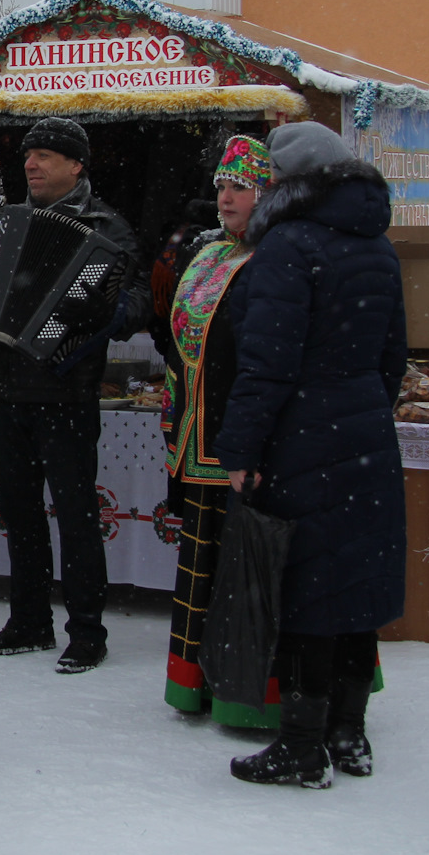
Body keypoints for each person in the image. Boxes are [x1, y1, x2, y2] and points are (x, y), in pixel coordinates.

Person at [211, 122, 406, 789]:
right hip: (365, 429)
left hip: (303, 430)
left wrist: (240, 447)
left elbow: (266, 362)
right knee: (354, 579)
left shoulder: (288, 245)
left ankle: (301, 744)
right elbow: (391, 357)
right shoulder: (376, 243)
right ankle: (349, 733)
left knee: (308, 589)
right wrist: (362, 410)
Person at [0, 117, 149, 674]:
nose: (32, 164)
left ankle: (86, 631)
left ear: (76, 166)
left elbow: (139, 300)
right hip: (7, 387)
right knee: (18, 512)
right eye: (28, 155)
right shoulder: (7, 223)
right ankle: (28, 622)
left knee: (75, 515)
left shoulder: (107, 227)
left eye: (46, 155)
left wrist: (103, 311)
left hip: (66, 390)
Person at [161, 135, 278, 725]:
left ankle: (252, 692)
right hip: (199, 438)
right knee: (204, 566)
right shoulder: (207, 254)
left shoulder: (278, 253)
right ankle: (198, 682)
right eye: (221, 188)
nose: (226, 199)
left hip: (246, 444)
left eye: (239, 187)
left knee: (251, 573)